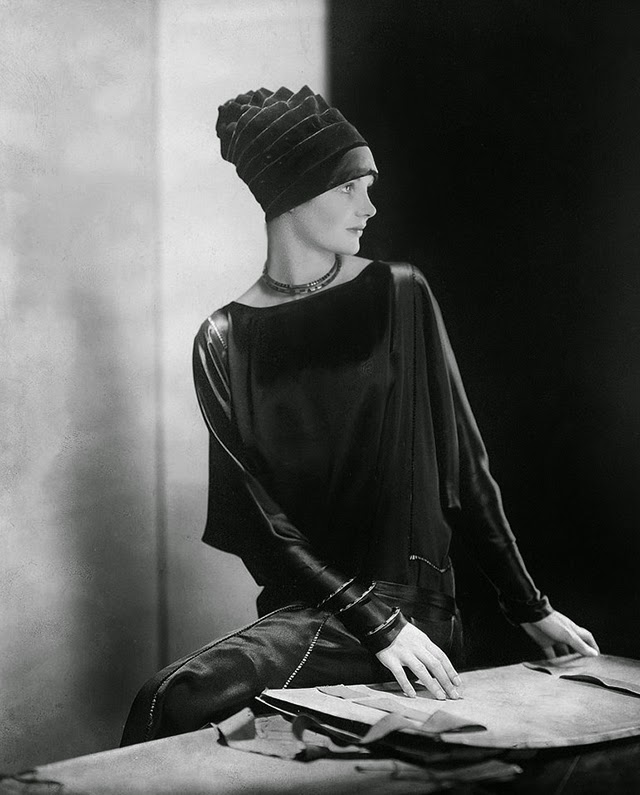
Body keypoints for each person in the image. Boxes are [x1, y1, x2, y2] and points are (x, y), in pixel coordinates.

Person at [121, 86, 599, 746]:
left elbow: (466, 467)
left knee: (173, 696)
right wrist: (367, 616)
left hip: (412, 616)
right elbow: (262, 526)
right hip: (313, 617)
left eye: (368, 187)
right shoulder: (221, 339)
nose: (368, 207)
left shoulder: (399, 293)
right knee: (174, 699)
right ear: (292, 192)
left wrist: (529, 606)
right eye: (349, 187)